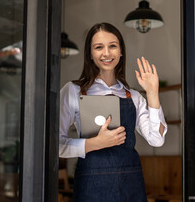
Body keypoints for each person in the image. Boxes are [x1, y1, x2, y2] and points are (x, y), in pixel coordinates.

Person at [59, 22, 167, 202]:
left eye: (113, 46)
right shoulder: (73, 91)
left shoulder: (134, 96)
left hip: (131, 184)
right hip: (91, 187)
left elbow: (157, 139)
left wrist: (152, 94)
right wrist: (94, 143)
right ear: (90, 54)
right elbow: (56, 145)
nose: (107, 53)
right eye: (99, 47)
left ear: (121, 51)